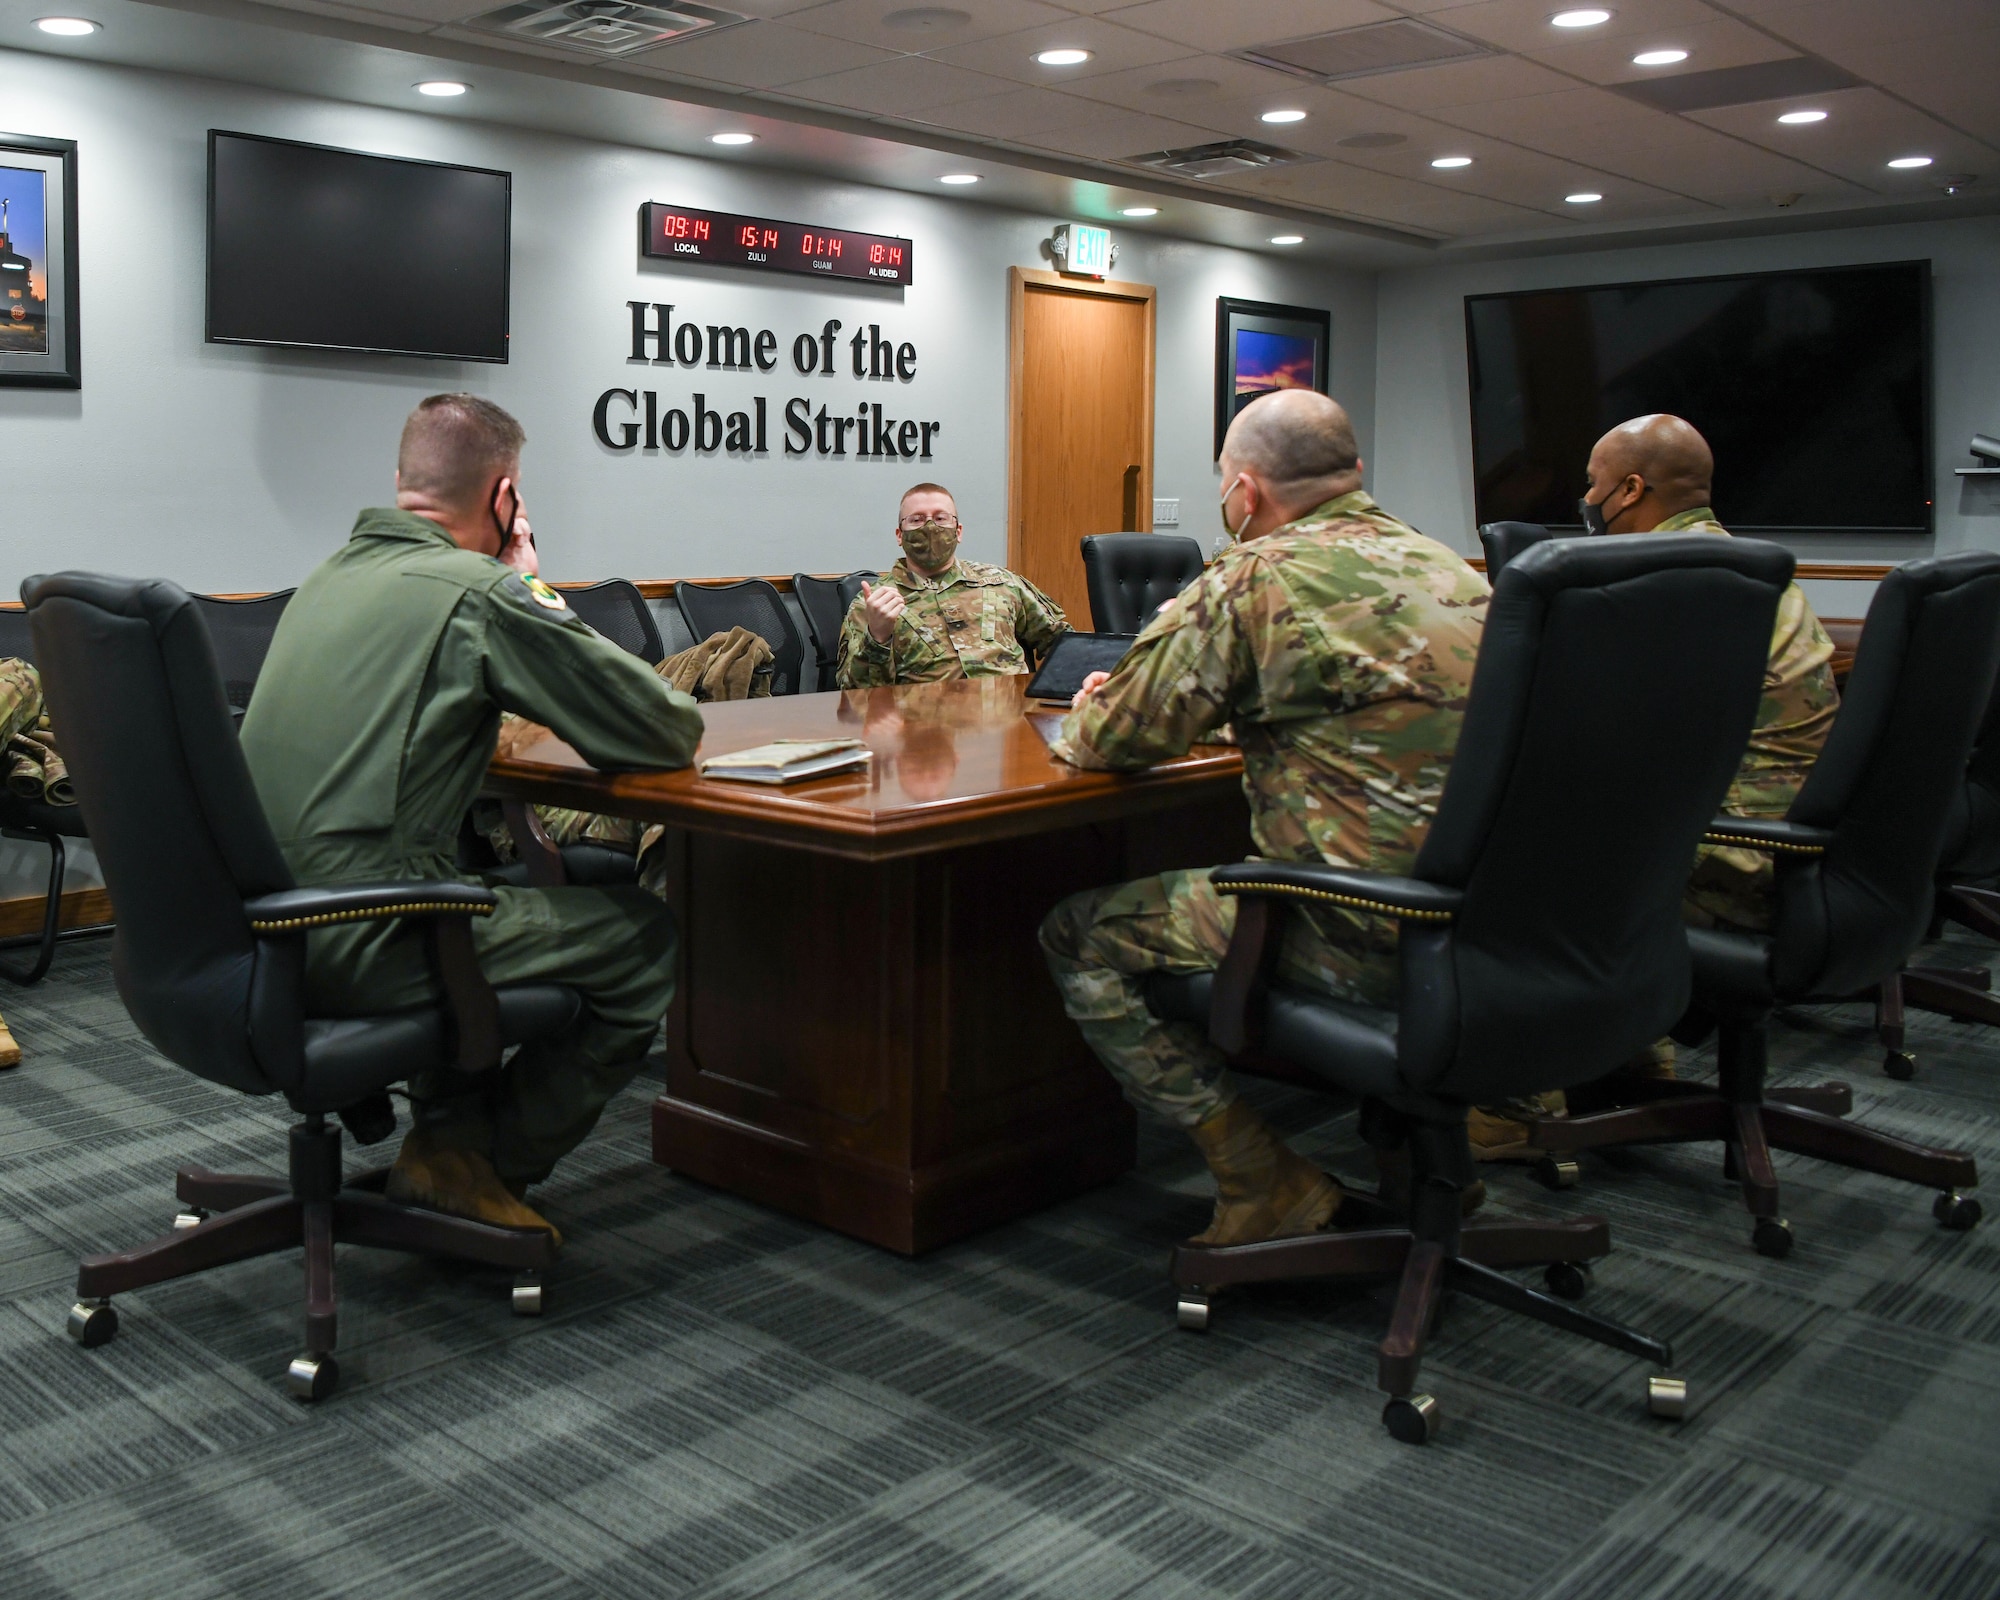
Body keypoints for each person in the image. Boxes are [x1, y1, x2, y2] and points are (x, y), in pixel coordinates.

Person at [240, 394, 704, 1242]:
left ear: (401, 485)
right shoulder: (475, 592)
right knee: (643, 938)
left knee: (464, 884)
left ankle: (447, 1133)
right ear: (504, 499)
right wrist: (528, 581)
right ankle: (475, 1163)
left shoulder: (326, 579)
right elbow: (662, 727)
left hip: (257, 932)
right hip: (360, 934)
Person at [1037, 390, 1490, 1247]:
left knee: (1080, 934)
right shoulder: (1450, 569)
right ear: (1353, 472)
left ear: (1245, 494)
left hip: (1357, 926)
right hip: (1487, 922)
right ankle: (1433, 1164)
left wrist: (1112, 700)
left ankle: (1258, 1175)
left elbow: (1108, 739)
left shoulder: (1255, 572)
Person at [1469, 413, 1840, 1160]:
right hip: (1804, 853)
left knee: (1495, 864)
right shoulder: (1744, 568)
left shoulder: (1660, 584)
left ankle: (1512, 1099)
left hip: (1734, 864)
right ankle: (1634, 1049)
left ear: (1631, 489)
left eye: (1593, 485)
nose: (1586, 497)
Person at [835, 482, 1068, 687]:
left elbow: (1064, 644)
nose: (930, 527)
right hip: (927, 727)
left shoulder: (1002, 583)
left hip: (1010, 720)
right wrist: (878, 637)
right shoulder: (874, 602)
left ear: (958, 532)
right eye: (916, 520)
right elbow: (856, 696)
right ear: (899, 535)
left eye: (940, 518)